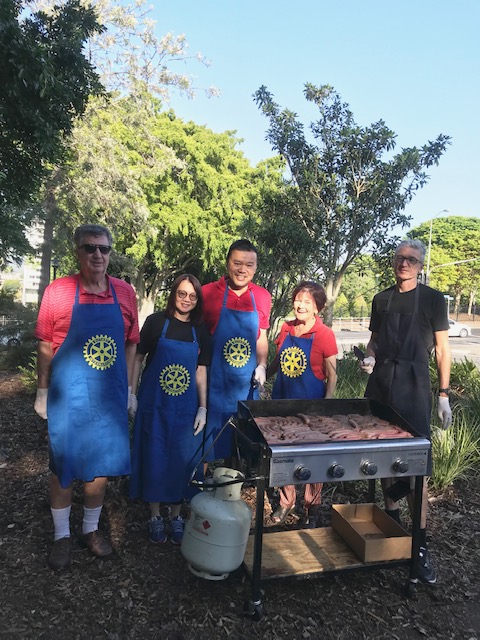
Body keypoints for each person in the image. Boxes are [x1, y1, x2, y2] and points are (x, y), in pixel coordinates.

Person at [33, 224, 140, 571]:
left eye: (104, 249)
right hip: (69, 397)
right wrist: (42, 390)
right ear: (77, 251)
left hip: (108, 399)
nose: (97, 254)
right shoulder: (59, 291)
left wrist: (128, 389)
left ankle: (89, 530)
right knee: (63, 467)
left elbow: (131, 343)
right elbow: (45, 344)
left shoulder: (125, 293)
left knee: (100, 467)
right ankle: (61, 535)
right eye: (90, 248)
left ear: (110, 253)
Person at [360, 239, 452, 585]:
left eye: (412, 260)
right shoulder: (381, 299)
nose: (405, 264)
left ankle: (419, 546)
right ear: (394, 262)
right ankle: (393, 526)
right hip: (381, 386)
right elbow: (374, 341)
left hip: (414, 389)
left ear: (420, 265)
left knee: (416, 469)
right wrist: (370, 357)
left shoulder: (433, 299)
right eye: (400, 258)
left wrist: (443, 394)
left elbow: (442, 350)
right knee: (385, 459)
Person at [128, 274, 212, 545]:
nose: (186, 300)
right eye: (182, 293)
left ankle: (176, 515)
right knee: (153, 455)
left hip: (185, 409)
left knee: (181, 459)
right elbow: (138, 358)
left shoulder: (201, 331)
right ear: (174, 294)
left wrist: (203, 408)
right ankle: (155, 515)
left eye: (192, 296)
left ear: (198, 300)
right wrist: (132, 393)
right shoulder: (155, 323)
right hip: (154, 405)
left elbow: (201, 371)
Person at [267, 281, 338, 526]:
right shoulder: (286, 328)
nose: (301, 305)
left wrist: (327, 405)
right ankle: (286, 501)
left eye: (307, 302)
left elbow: (332, 375)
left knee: (313, 458)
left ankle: (312, 509)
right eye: (298, 300)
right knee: (283, 454)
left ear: (317, 307)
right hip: (282, 402)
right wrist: (262, 376)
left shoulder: (325, 334)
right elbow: (278, 361)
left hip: (311, 406)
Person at [202, 239, 272, 460]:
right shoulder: (207, 293)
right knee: (207, 444)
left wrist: (262, 365)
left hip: (246, 385)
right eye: (237, 263)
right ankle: (203, 479)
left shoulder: (262, 296)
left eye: (249, 265)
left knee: (242, 444)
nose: (243, 270)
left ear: (256, 268)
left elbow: (261, 336)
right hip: (214, 383)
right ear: (227, 263)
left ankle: (236, 479)